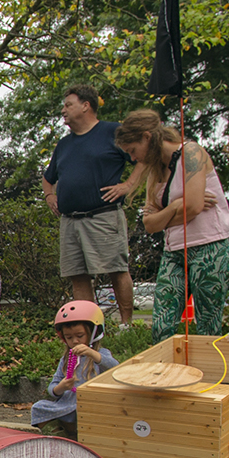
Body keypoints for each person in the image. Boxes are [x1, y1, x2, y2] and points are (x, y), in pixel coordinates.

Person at [115, 109, 229, 341]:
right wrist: (174, 206)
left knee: (207, 325)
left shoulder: (191, 153)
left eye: (133, 150)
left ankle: (209, 374)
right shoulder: (154, 171)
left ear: (147, 137)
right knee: (161, 325)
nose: (133, 158)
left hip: (209, 247)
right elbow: (150, 224)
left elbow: (193, 207)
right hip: (174, 253)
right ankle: (165, 372)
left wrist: (170, 213)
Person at [42, 84, 146, 326]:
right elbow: (48, 179)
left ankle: (126, 325)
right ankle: (91, 328)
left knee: (117, 269)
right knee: (77, 275)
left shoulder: (113, 132)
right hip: (70, 221)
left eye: (68, 105)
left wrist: (128, 185)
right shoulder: (64, 145)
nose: (63, 110)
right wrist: (50, 196)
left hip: (103, 215)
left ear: (86, 105)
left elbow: (143, 156)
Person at [30, 300, 120, 436]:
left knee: (83, 410)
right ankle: (54, 433)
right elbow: (52, 387)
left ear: (93, 333)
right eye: (69, 337)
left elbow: (115, 368)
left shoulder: (100, 354)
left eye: (80, 336)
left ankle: (74, 432)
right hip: (67, 403)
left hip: (89, 403)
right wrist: (61, 387)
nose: (75, 341)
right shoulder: (66, 358)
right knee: (38, 407)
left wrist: (92, 353)